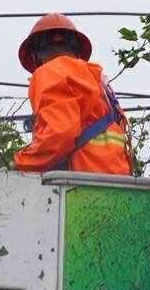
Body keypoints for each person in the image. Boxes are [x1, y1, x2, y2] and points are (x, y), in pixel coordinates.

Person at [13, 13, 133, 174]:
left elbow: (59, 133)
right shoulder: (98, 83)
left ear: (35, 56)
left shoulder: (50, 71)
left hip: (81, 180)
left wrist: (21, 164)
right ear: (77, 51)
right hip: (116, 179)